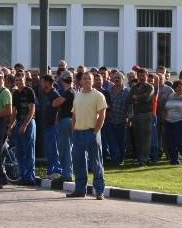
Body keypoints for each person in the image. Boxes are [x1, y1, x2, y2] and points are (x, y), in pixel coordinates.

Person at [66, 72, 107, 200]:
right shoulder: (77, 96)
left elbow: (102, 115)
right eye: (84, 78)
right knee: (78, 163)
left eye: (89, 78)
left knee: (96, 163)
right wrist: (73, 129)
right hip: (78, 133)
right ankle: (80, 190)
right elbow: (74, 115)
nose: (87, 80)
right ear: (80, 81)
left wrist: (95, 132)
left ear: (93, 81)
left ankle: (99, 191)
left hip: (92, 133)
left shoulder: (98, 95)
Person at [10, 72, 37, 186]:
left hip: (29, 122)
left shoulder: (29, 91)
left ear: (25, 80)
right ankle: (23, 175)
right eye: (17, 80)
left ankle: (30, 177)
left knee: (29, 150)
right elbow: (14, 111)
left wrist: (25, 125)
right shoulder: (15, 93)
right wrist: (11, 126)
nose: (19, 82)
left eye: (20, 80)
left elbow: (32, 110)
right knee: (19, 151)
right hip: (19, 122)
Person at [128, 68, 154, 165]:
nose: (142, 78)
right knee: (137, 137)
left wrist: (136, 97)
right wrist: (139, 98)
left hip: (146, 115)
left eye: (144, 75)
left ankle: (144, 159)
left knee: (145, 138)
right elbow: (128, 99)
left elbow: (147, 98)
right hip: (136, 115)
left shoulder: (150, 87)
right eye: (140, 76)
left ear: (147, 76)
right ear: (137, 76)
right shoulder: (134, 87)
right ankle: (139, 158)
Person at [53, 71, 75, 182]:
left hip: (67, 121)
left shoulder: (68, 92)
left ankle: (67, 173)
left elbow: (55, 103)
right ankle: (67, 172)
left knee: (65, 148)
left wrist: (56, 100)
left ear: (62, 80)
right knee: (67, 148)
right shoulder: (71, 91)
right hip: (68, 121)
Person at [104, 72, 130, 166]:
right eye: (115, 77)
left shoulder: (127, 91)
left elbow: (130, 106)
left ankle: (120, 160)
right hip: (110, 120)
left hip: (122, 120)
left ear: (123, 79)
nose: (116, 79)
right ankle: (115, 160)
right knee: (112, 141)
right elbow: (105, 103)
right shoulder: (109, 90)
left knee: (121, 142)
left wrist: (128, 118)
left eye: (118, 77)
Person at [39, 74, 62, 179]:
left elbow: (60, 109)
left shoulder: (55, 94)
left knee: (54, 150)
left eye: (43, 82)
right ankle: (50, 171)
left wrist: (56, 122)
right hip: (47, 126)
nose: (41, 84)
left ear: (48, 83)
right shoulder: (46, 94)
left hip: (53, 126)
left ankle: (57, 171)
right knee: (49, 150)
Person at [163, 80, 182, 165]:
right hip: (169, 122)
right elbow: (166, 108)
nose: (180, 88)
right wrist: (165, 118)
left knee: (180, 142)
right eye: (178, 86)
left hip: (180, 121)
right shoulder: (171, 95)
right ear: (174, 88)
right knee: (170, 142)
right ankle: (174, 160)